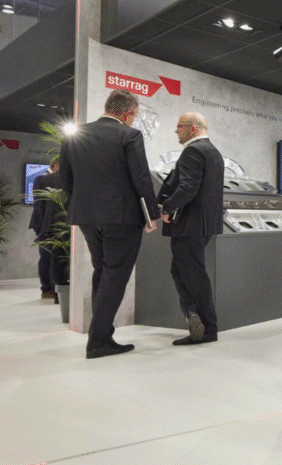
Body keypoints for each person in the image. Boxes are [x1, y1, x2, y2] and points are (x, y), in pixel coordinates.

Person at [60, 89, 158, 359]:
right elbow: (141, 178)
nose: (133, 120)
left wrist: (85, 205)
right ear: (126, 113)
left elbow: (65, 180)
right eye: (134, 115)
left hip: (87, 217)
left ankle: (102, 335)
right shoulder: (130, 135)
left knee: (102, 272)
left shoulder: (75, 135)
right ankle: (98, 341)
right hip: (122, 218)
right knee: (114, 277)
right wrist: (151, 214)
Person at [157, 112, 224, 346]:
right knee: (181, 270)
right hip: (205, 225)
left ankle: (206, 326)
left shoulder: (193, 151)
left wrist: (166, 207)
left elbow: (187, 188)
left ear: (193, 129)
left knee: (193, 274)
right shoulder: (214, 152)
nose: (176, 131)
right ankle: (193, 313)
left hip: (189, 225)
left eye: (179, 126)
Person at [28, 160, 59, 299]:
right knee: (46, 256)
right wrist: (43, 228)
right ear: (56, 166)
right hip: (43, 225)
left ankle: (54, 287)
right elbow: (39, 205)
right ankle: (46, 289)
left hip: (54, 224)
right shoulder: (41, 179)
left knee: (55, 257)